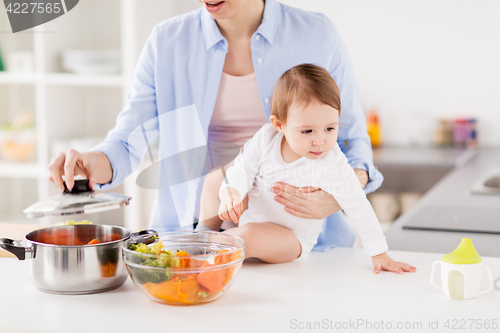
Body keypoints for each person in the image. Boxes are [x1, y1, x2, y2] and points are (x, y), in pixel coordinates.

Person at [47, 0, 391, 260]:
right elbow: (125, 143)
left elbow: (352, 142)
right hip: (190, 238)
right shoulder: (167, 41)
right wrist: (93, 161)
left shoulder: (316, 33)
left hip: (304, 245)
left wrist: (334, 198)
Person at [198, 64, 416, 274]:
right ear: (279, 125)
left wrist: (379, 253)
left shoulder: (332, 162)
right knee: (219, 177)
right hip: (250, 217)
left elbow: (358, 205)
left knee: (249, 235)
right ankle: (202, 234)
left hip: (291, 239)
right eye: (307, 131)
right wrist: (232, 192)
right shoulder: (267, 138)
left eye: (330, 128)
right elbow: (242, 169)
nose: (320, 141)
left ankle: (200, 250)